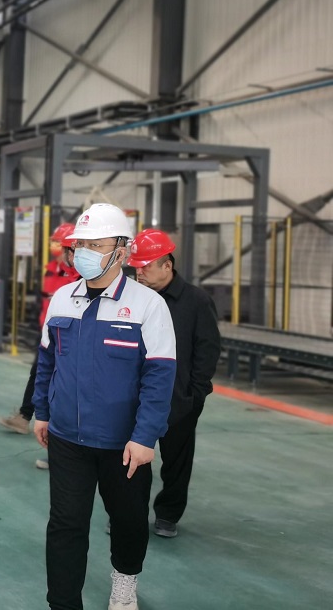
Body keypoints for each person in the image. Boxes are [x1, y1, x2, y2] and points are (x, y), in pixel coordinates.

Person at [33, 203, 176, 610]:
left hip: (123, 444)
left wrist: (145, 437)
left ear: (122, 251)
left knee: (128, 521)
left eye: (96, 245)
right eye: (81, 245)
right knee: (65, 524)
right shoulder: (62, 299)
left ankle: (125, 581)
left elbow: (159, 377)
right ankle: (63, 603)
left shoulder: (148, 306)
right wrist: (42, 411)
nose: (84, 253)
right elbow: (47, 361)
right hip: (67, 438)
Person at [127, 229, 220, 539]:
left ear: (167, 265)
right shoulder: (133, 298)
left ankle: (168, 514)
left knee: (177, 462)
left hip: (179, 399)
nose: (139, 272)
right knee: (131, 459)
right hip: (135, 396)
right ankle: (128, 514)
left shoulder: (196, 301)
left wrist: (195, 394)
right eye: (136, 267)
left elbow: (207, 350)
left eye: (145, 266)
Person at [0, 222, 78, 466]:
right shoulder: (51, 269)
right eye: (56, 244)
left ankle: (61, 450)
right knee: (40, 376)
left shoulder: (81, 275)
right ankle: (27, 419)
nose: (57, 249)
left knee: (63, 390)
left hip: (70, 340)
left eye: (61, 245)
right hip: (50, 335)